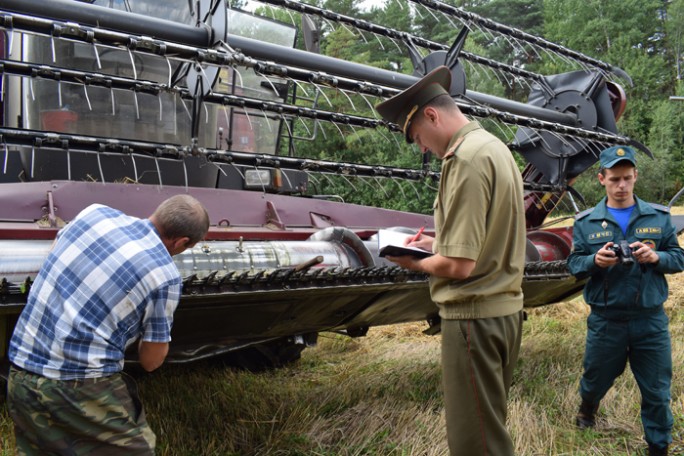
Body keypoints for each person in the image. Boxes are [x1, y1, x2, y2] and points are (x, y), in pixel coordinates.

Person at [375, 66, 526, 455]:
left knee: (474, 442)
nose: (423, 148)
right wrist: (436, 240)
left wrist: (412, 261)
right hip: (502, 311)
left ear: (431, 115)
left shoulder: (465, 160)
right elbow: (488, 232)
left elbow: (458, 266)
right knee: (489, 429)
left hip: (473, 318)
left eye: (418, 138)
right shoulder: (493, 147)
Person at [7, 194, 210, 455]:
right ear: (182, 242)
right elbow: (151, 361)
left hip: (20, 372)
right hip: (77, 384)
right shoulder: (165, 276)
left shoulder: (95, 213)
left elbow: (57, 247)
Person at [567, 145, 684, 456]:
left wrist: (656, 256)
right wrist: (595, 261)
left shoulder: (658, 218)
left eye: (628, 178)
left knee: (657, 391)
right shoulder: (586, 222)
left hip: (650, 321)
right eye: (615, 179)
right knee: (595, 378)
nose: (622, 186)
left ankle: (658, 446)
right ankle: (588, 408)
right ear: (602, 178)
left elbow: (678, 257)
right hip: (607, 322)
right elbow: (574, 265)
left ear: (636, 177)